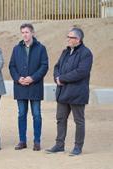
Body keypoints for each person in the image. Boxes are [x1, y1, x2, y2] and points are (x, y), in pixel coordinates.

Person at [46, 28, 93, 156]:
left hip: (77, 93)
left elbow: (81, 72)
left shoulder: (86, 53)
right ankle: (59, 145)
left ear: (77, 39)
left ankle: (78, 147)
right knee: (60, 119)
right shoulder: (65, 52)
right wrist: (57, 77)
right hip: (63, 91)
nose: (67, 39)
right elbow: (57, 67)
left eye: (70, 37)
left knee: (79, 121)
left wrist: (62, 78)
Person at [9, 23, 49, 151]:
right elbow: (12, 66)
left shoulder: (41, 48)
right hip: (20, 87)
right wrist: (18, 78)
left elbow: (44, 66)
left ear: (32, 33)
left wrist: (32, 78)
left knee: (36, 114)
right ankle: (22, 141)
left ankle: (37, 141)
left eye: (26, 32)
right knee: (21, 114)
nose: (24, 35)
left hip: (35, 86)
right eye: (22, 32)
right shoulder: (16, 49)